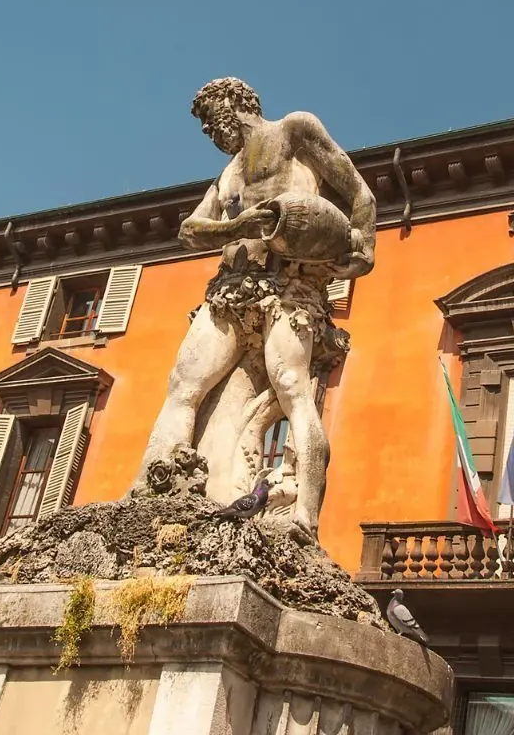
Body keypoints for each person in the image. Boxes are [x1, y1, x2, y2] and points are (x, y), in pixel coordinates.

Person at [132, 77, 375, 533]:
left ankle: (304, 515)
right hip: (229, 289)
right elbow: (189, 230)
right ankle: (150, 494)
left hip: (291, 284)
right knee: (183, 385)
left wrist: (365, 247)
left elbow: (359, 192)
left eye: (209, 119)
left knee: (294, 390)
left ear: (232, 102)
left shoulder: (294, 131)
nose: (208, 131)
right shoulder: (228, 175)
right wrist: (232, 227)